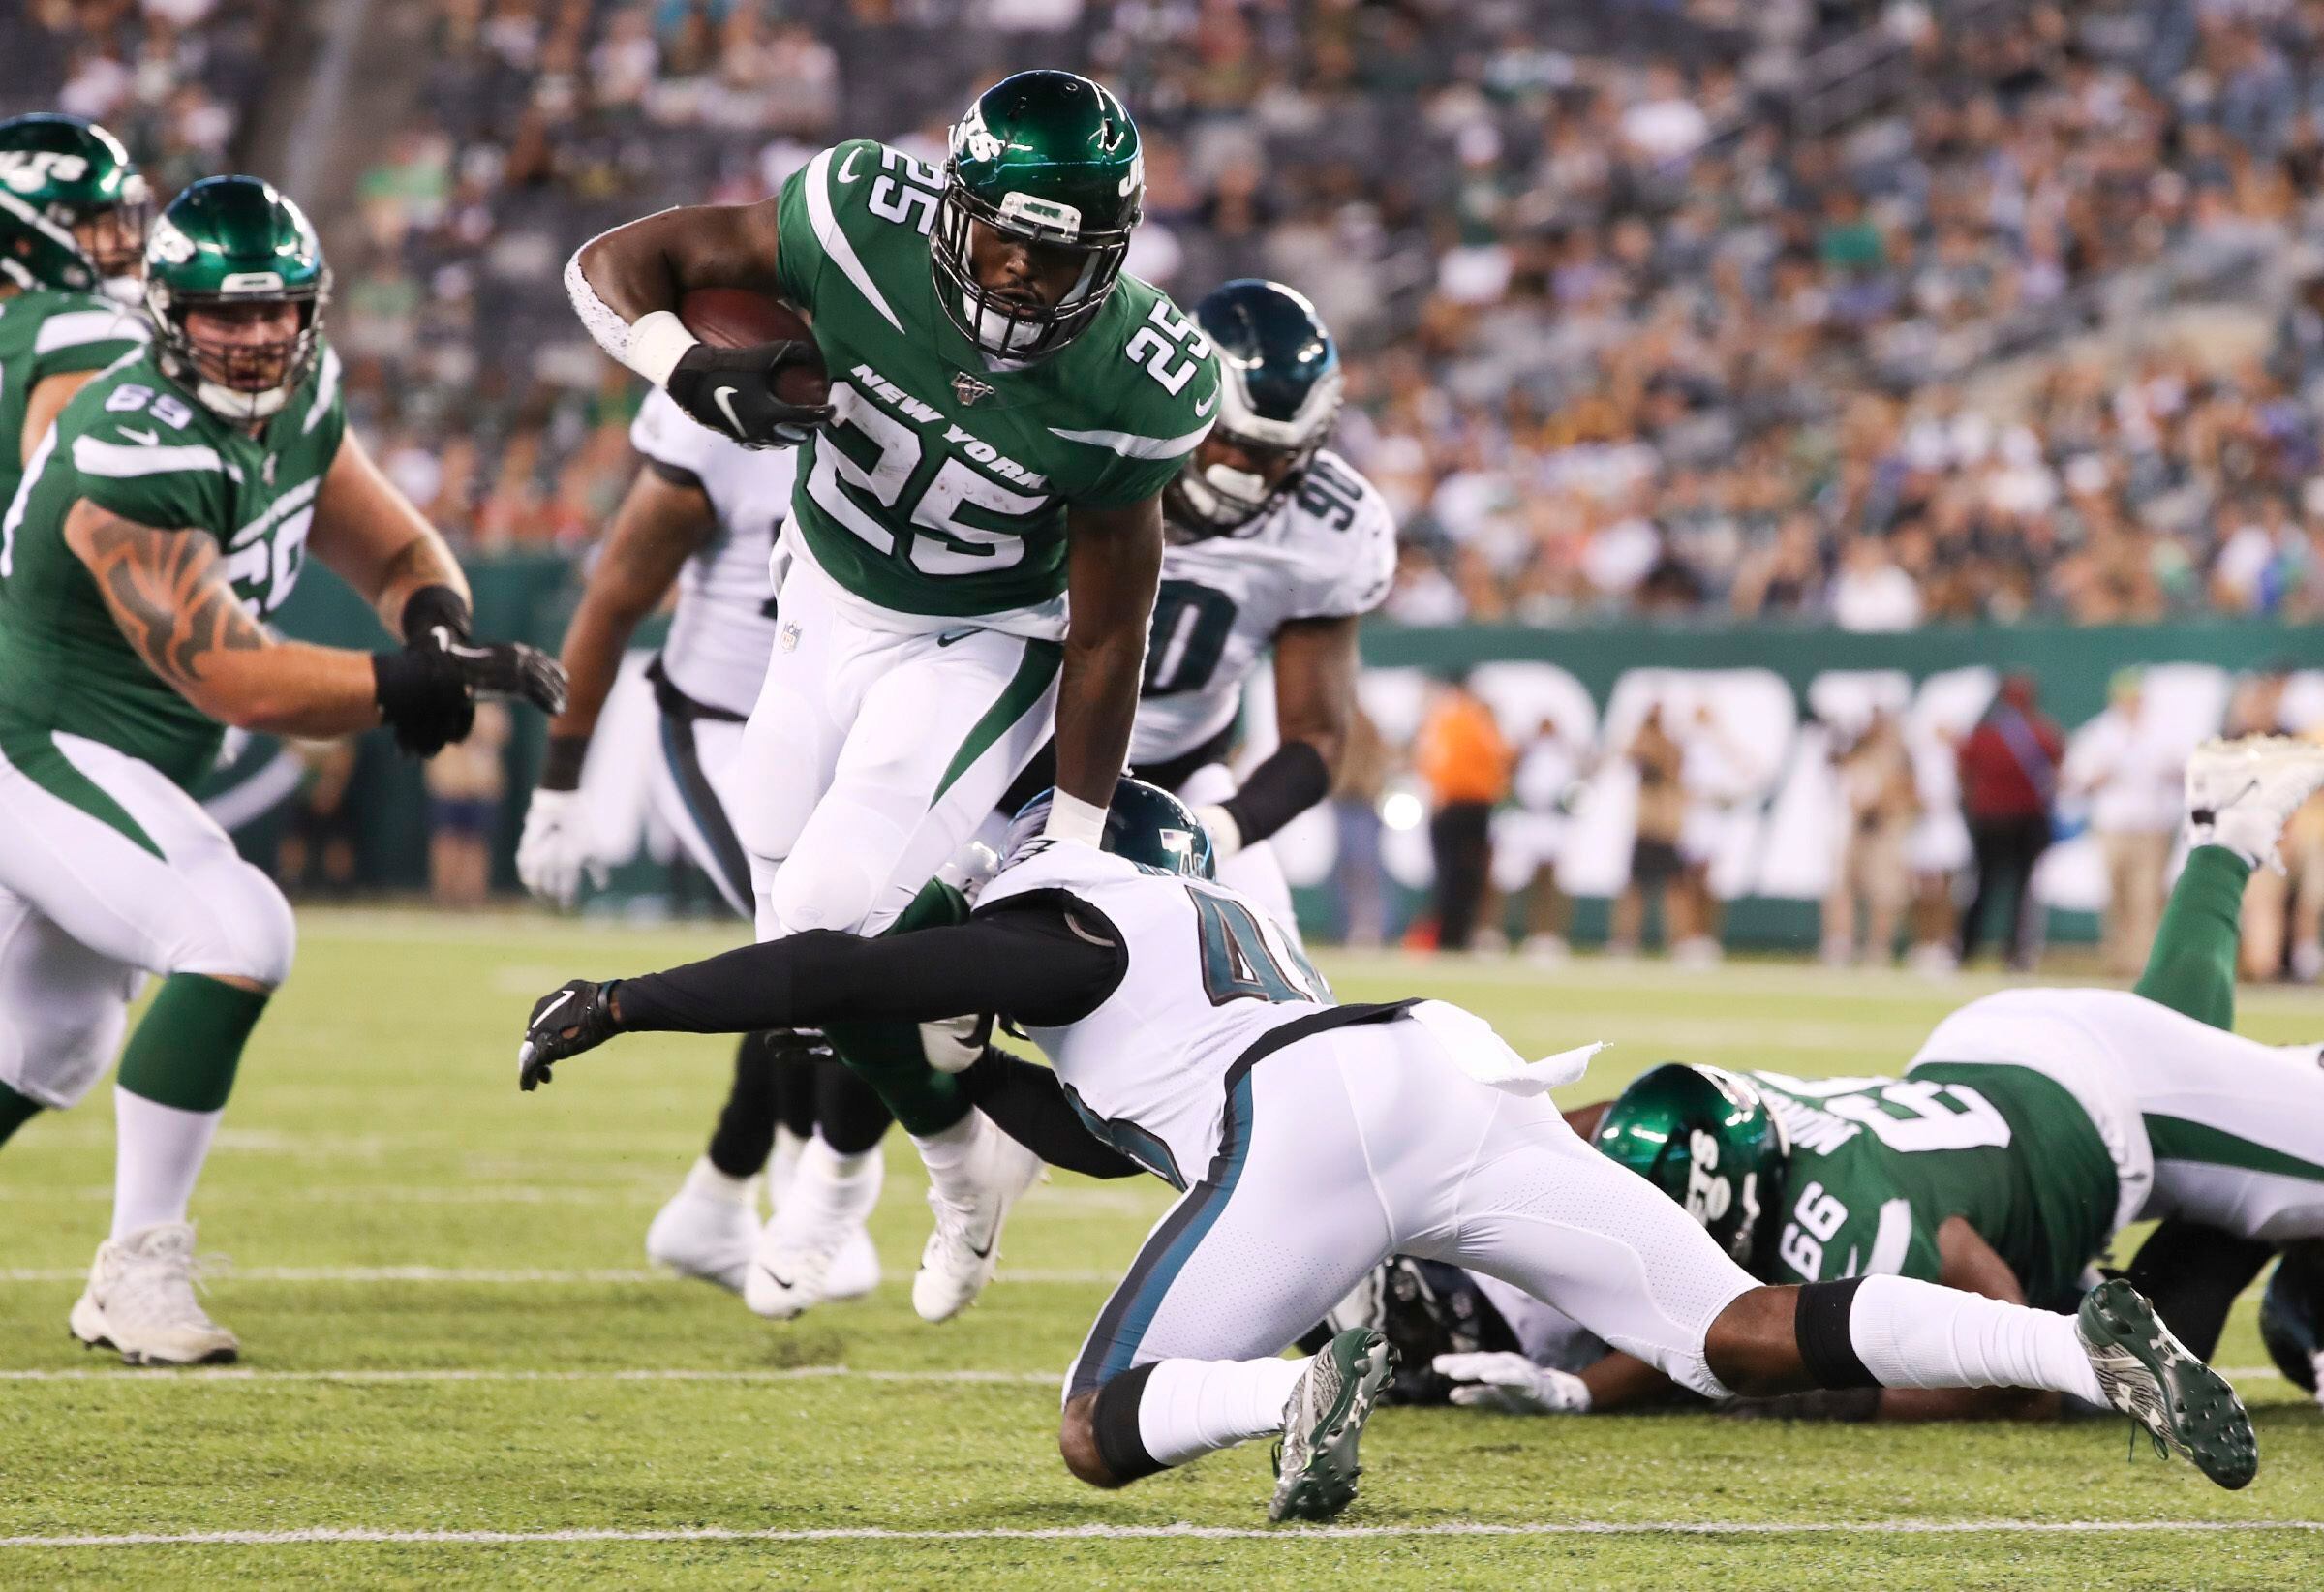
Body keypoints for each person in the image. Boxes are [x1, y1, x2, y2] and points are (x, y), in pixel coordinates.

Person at [518, 778, 2259, 1518]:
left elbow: (837, 958)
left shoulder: (1072, 918)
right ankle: (2070, 1342)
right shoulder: (1193, 918)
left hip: (1320, 1118)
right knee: (1728, 1329)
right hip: (1435, 1066)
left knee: (1095, 1426)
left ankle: (1296, 1395)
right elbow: (1122, 1128)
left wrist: (632, 993)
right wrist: (974, 1082)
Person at [562, 69, 1218, 1323]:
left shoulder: (1136, 382)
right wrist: (686, 367)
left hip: (977, 639)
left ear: (1114, 255)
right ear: (951, 208)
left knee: (829, 913)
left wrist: (1074, 842)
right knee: (788, 938)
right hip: (817, 595)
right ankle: (963, 1156)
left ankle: (873, 1182)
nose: (1020, 275)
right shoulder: (856, 216)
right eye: (1002, 239)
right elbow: (615, 261)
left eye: (1058, 255)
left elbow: (1110, 626)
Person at [0, 176, 564, 1364]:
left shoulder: (300, 394)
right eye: (223, 314)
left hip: (118, 753)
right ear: (166, 313)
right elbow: (230, 676)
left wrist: (438, 629)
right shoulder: (127, 437)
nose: (255, 337)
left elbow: (388, 538)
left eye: (279, 311)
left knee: (42, 1046)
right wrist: (406, 688)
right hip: (35, 743)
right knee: (235, 928)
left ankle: (128, 1273)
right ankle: (137, 1270)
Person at [1426, 736, 2324, 1431]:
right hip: (2016, 1064)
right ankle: (2224, 835)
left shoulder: (1848, 1224)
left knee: (2094, 1376)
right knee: (2214, 1168)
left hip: (2108, 1098)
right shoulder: (1737, 1116)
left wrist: (1816, 1393)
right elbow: (1618, 1156)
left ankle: (2231, 858)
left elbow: (2013, 1366)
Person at [514, 390, 887, 1312]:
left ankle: (718, 1199)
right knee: (812, 941)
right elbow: (614, 596)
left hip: (855, 739)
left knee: (832, 944)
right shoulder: (728, 411)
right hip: (722, 727)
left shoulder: (925, 388)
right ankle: (803, 1191)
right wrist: (559, 781)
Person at [0, 115, 150, 509]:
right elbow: (74, 515)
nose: (128, 240)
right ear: (24, 237)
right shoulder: (88, 330)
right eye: (100, 225)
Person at [2061, 669, 2182, 977]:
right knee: (2116, 895)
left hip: (2151, 827)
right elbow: (2074, 780)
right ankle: (2118, 958)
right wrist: (2097, 778)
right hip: (2113, 827)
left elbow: (2182, 771)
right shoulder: (2099, 733)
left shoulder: (2162, 732)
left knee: (2148, 897)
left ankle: (2144, 963)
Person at [1955, 673, 2062, 969]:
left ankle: (1966, 950)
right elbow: (2056, 774)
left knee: (1984, 887)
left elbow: (1963, 771)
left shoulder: (1984, 735)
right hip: (2026, 820)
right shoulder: (2043, 734)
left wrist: (1973, 806)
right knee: (2020, 891)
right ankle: (2015, 954)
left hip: (1991, 821)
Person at [1413, 672, 1510, 950]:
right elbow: (1500, 759)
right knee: (1464, 874)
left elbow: (1432, 761)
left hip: (1453, 805)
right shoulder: (1476, 720)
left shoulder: (1444, 718)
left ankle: (1450, 935)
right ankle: (1454, 935)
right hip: (1470, 805)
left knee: (1452, 873)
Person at [1823, 709, 1918, 965]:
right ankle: (1840, 945)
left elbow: (1909, 793)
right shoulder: (1859, 752)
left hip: (1885, 829)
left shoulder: (1900, 755)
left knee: (1884, 892)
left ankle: (1878, 949)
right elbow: (1837, 764)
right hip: (1856, 828)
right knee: (1842, 888)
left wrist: (1882, 803)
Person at [1610, 702, 1686, 955]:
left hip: (1665, 827)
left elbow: (1670, 765)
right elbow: (1627, 754)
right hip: (1645, 827)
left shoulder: (1671, 747)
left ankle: (1678, 942)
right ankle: (1625, 940)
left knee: (1675, 889)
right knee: (1634, 889)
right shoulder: (1642, 743)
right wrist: (1644, 731)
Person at [425, 698, 507, 909]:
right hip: (450, 787)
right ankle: (445, 897)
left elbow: (496, 734)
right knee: (447, 844)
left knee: (476, 846)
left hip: (479, 789)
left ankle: (472, 898)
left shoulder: (491, 708)